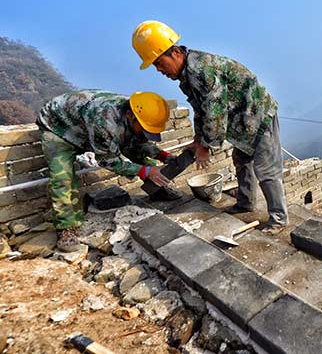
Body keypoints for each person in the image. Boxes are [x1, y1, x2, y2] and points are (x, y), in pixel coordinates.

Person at [131, 20, 288, 231]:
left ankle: (279, 219)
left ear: (175, 52)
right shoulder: (187, 76)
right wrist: (197, 141)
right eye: (155, 66)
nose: (159, 70)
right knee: (242, 161)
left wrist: (206, 147)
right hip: (242, 122)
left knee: (266, 170)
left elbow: (216, 110)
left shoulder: (202, 70)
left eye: (159, 62)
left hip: (258, 117)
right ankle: (246, 203)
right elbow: (200, 110)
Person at [37, 90, 174, 251]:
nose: (146, 134)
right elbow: (108, 161)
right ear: (130, 115)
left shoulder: (136, 113)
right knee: (63, 178)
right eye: (144, 129)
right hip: (57, 127)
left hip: (87, 125)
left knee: (141, 157)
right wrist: (145, 171)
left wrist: (162, 155)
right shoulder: (104, 121)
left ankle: (157, 189)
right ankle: (66, 228)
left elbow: (137, 142)